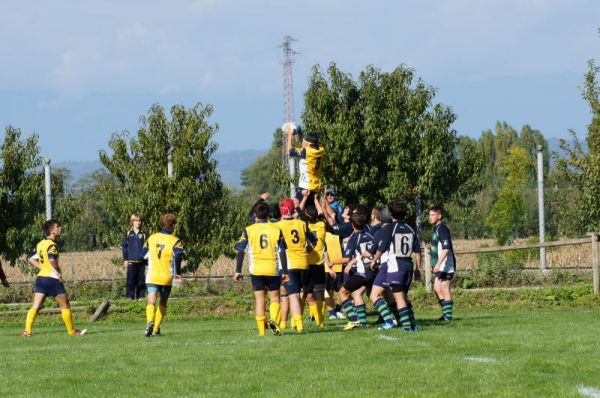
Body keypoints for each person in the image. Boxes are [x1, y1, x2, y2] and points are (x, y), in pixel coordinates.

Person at [23, 219, 86, 337]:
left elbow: (30, 258)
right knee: (65, 305)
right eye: (58, 227)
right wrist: (59, 272)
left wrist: (42, 268)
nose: (60, 229)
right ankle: (72, 331)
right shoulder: (52, 245)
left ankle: (27, 331)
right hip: (52, 279)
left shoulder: (41, 244)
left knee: (35, 306)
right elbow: (52, 260)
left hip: (41, 279)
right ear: (52, 230)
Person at [235, 203, 289, 336]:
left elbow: (240, 250)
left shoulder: (248, 230)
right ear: (268, 214)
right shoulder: (276, 229)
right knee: (275, 298)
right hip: (272, 268)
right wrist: (285, 271)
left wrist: (238, 270)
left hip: (256, 269)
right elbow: (282, 251)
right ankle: (273, 320)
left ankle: (261, 333)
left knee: (260, 300)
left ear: (255, 215)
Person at [368, 201, 421, 331]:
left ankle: (407, 327)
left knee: (398, 298)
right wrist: (418, 268)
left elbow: (383, 247)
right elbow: (418, 251)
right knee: (404, 297)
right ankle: (413, 324)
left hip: (396, 265)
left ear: (391, 214)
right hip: (408, 264)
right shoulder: (410, 229)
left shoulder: (390, 228)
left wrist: (374, 259)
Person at [275, 198, 316, 332]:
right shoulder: (301, 223)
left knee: (291, 295)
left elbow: (279, 248)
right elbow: (314, 240)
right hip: (304, 263)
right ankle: (292, 322)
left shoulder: (278, 225)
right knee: (297, 294)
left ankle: (298, 325)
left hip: (289, 264)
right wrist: (308, 250)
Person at [330, 212, 375, 330]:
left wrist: (332, 262)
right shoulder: (370, 235)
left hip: (363, 272)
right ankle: (363, 322)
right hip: (374, 270)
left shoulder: (354, 238)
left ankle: (353, 320)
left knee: (342, 293)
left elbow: (346, 259)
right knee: (357, 294)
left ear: (352, 225)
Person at [143, 213, 184, 337]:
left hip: (152, 274)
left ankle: (149, 321)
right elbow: (178, 255)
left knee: (151, 298)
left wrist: (150, 262)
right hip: (166, 276)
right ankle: (155, 329)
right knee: (163, 301)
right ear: (172, 226)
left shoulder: (151, 238)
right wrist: (178, 273)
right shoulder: (175, 241)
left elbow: (142, 254)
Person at [429, 206, 456, 321]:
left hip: (446, 264)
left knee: (444, 288)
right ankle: (446, 314)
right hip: (440, 264)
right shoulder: (436, 229)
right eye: (429, 215)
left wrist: (438, 264)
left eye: (433, 215)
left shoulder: (442, 228)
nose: (430, 217)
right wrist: (433, 264)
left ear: (439, 216)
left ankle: (448, 317)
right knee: (437, 288)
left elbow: (446, 248)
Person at [285, 123, 324, 201]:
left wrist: (290, 135)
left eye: (304, 141)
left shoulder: (306, 152)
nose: (302, 142)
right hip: (316, 188)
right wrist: (300, 134)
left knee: (298, 210)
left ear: (308, 144)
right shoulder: (321, 149)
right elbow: (305, 146)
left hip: (305, 187)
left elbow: (289, 152)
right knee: (311, 211)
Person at [122, 214, 148, 300]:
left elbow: (147, 247)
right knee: (130, 280)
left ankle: (141, 296)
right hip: (131, 261)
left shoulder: (144, 234)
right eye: (136, 221)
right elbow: (124, 247)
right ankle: (130, 296)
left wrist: (144, 257)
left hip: (141, 262)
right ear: (132, 222)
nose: (138, 222)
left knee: (141, 280)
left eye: (139, 221)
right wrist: (125, 259)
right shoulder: (128, 234)